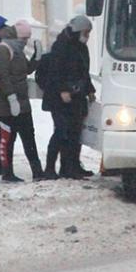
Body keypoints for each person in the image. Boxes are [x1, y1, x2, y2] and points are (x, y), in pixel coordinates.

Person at [42, 14, 96, 179]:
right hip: (59, 99)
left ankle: (71, 166)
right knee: (61, 131)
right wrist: (63, 90)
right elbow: (55, 72)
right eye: (86, 33)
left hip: (77, 96)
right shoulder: (61, 46)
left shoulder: (80, 47)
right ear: (78, 31)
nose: (87, 36)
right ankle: (49, 168)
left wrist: (89, 90)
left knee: (75, 132)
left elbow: (83, 72)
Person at [0, 21, 44, 182]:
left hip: (22, 102)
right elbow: (3, 75)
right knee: (8, 139)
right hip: (5, 104)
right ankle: (7, 172)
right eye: (24, 38)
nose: (26, 41)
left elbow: (26, 70)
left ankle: (37, 171)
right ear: (17, 36)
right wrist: (11, 97)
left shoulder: (18, 51)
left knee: (29, 136)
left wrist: (37, 57)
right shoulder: (3, 49)